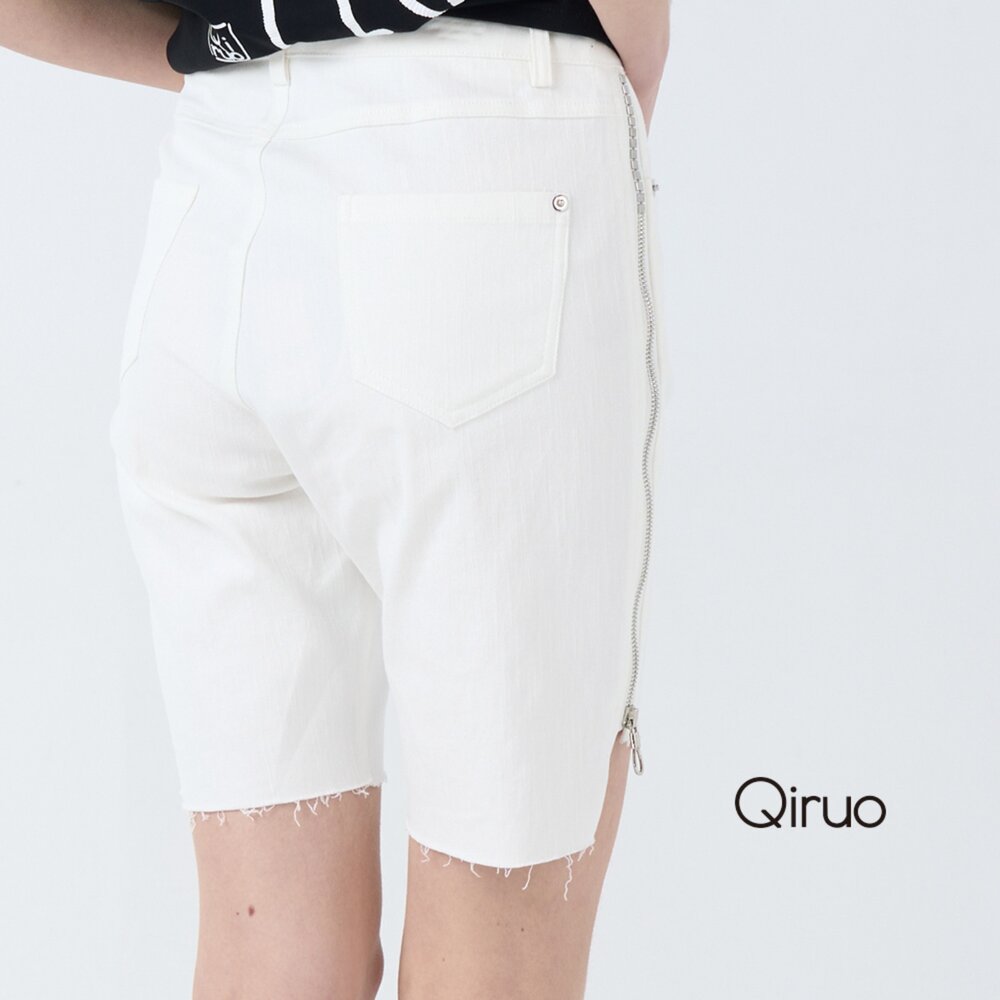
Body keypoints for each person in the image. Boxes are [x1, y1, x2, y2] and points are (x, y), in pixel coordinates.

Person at [1, 1, 670, 997]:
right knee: (501, 946)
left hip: (213, 210)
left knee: (265, 948)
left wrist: (240, 44)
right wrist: (624, 71)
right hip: (478, 158)